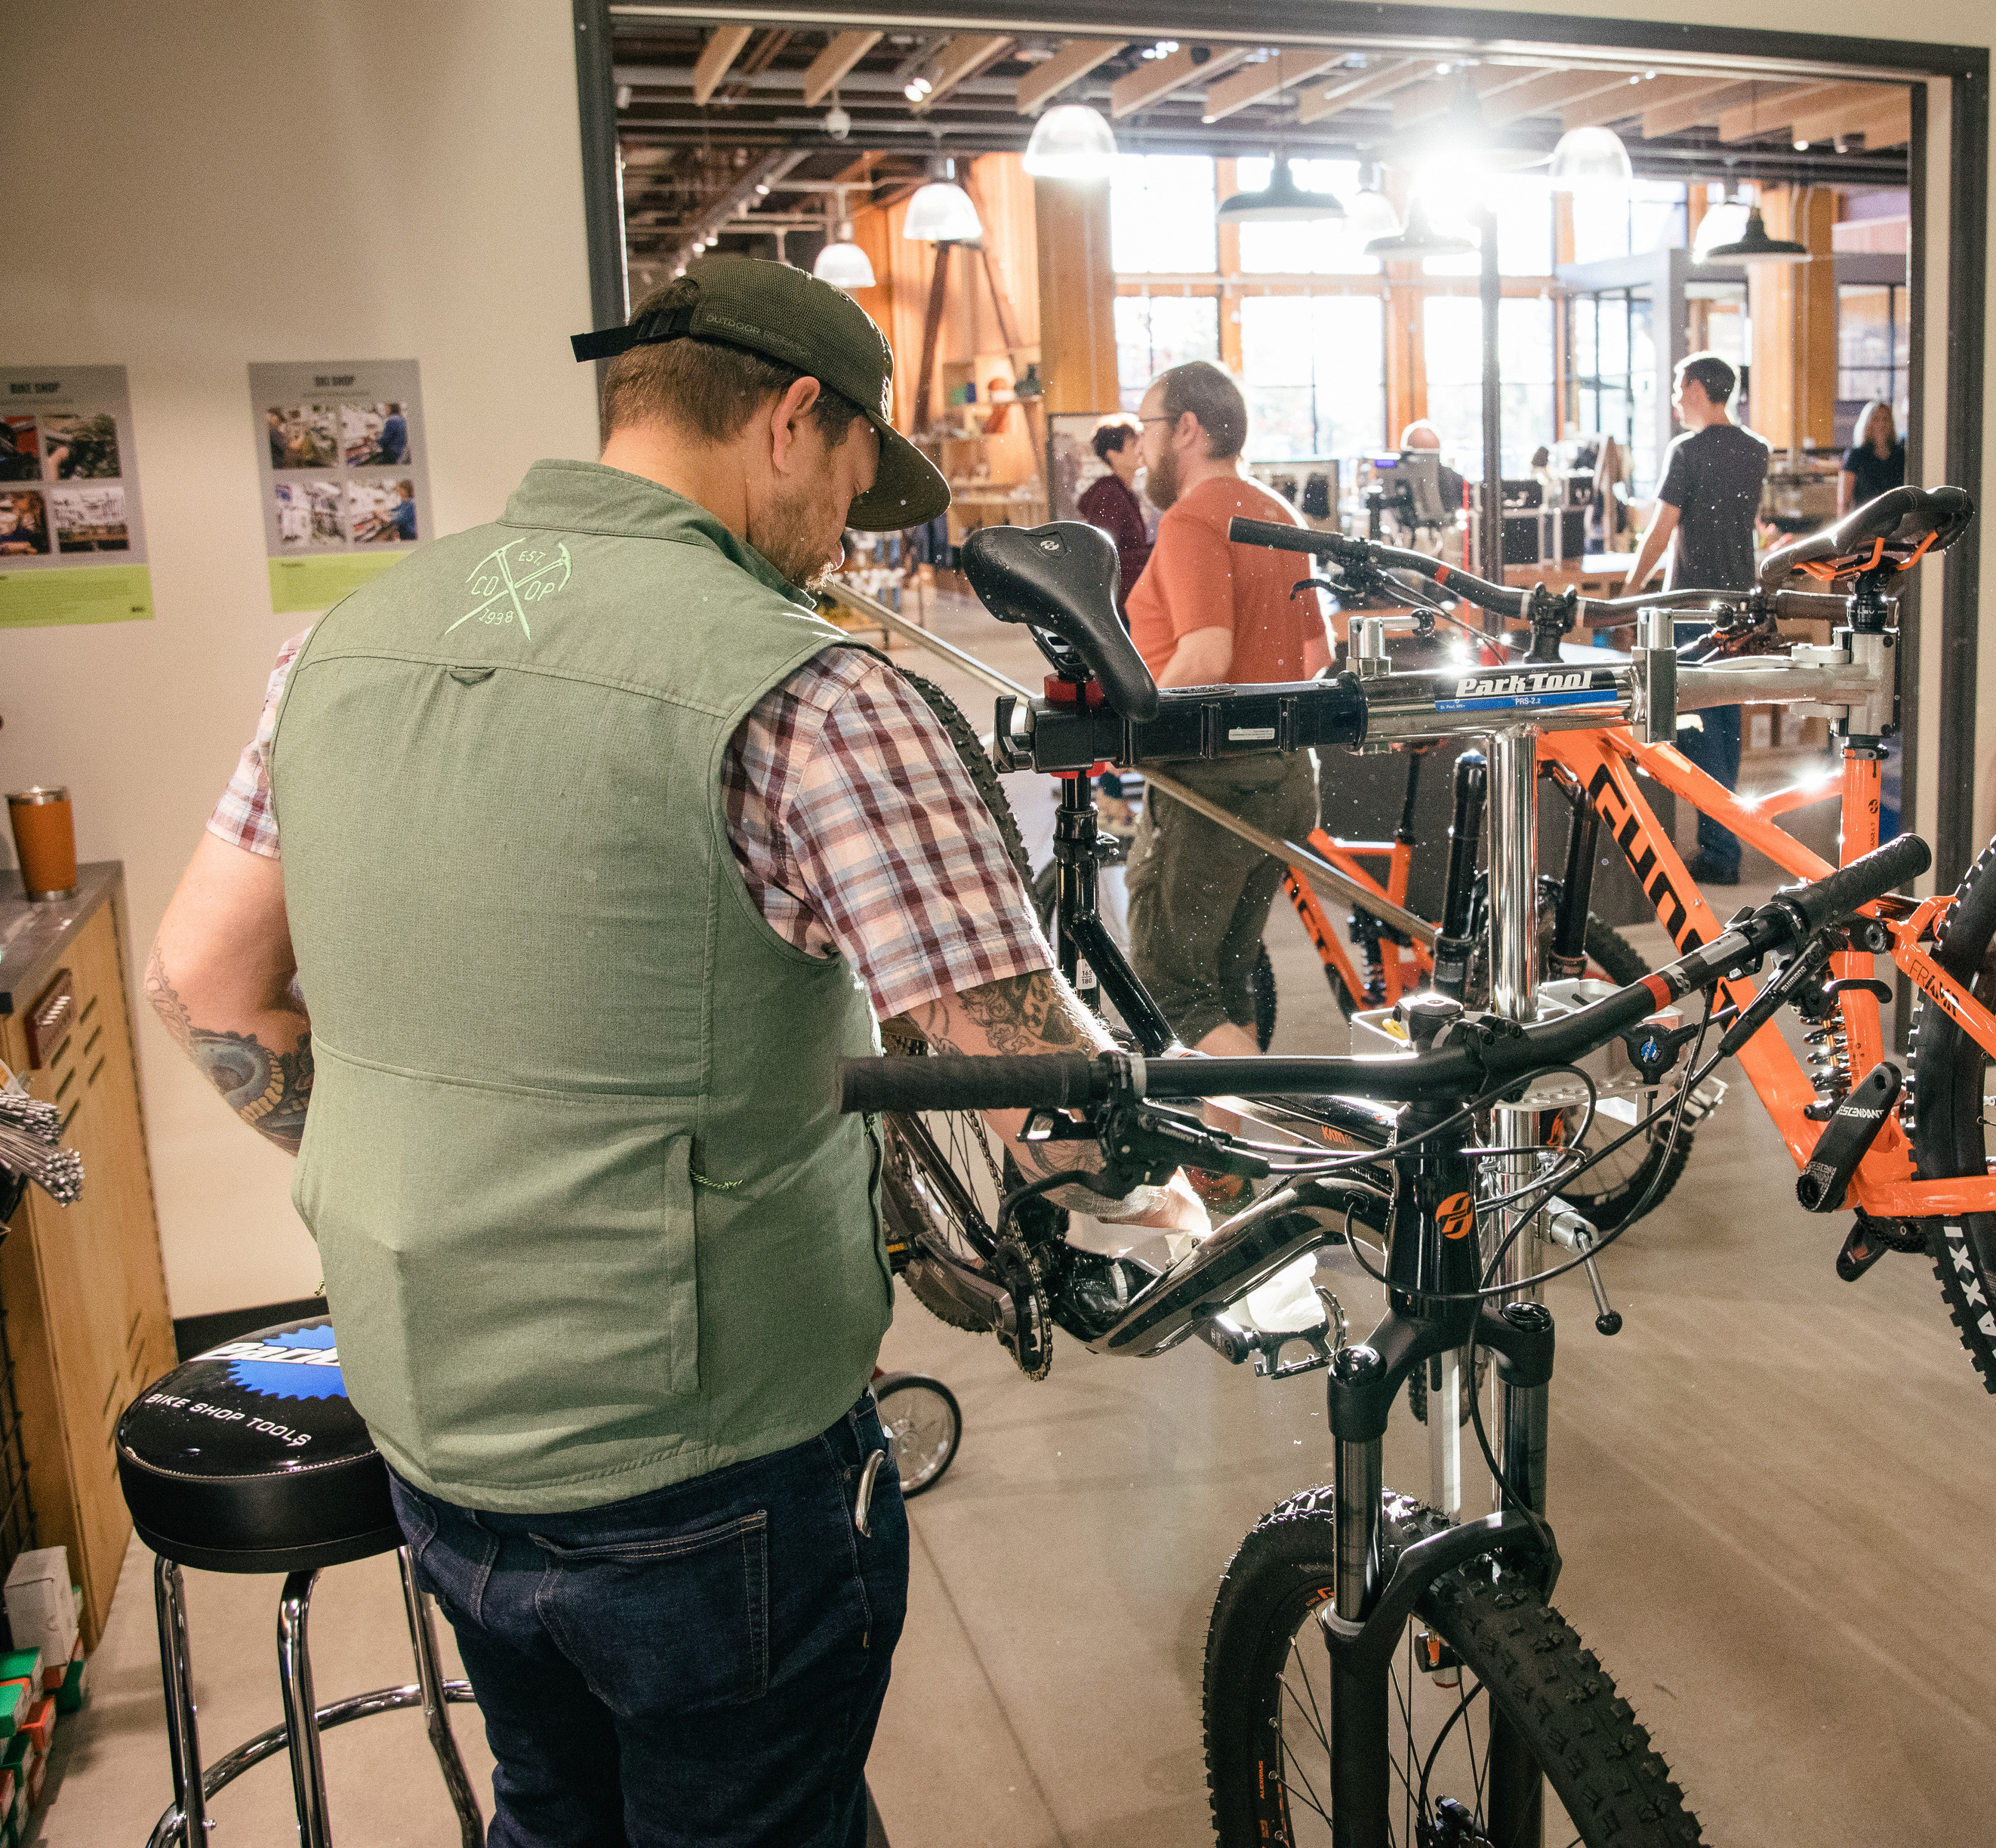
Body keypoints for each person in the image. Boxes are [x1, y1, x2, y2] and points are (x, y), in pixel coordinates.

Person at [142, 257, 1194, 1848]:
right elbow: (1020, 1077)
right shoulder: (815, 691)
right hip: (705, 1469)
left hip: (438, 1423)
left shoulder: (341, 645)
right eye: (852, 478)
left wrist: (424, 1166)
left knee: (553, 1811)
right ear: (789, 422)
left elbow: (202, 981)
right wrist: (1186, 1199)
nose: (847, 532)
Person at [1122, 358, 1329, 1056]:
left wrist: (1135, 728)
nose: (1141, 445)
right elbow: (1313, 659)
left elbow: (1205, 656)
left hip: (1211, 780)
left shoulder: (1190, 521)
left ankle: (1284, 1132)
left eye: (1147, 425)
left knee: (1170, 989)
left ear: (1186, 428)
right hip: (1283, 776)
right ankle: (1231, 1166)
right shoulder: (1278, 513)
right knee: (1226, 978)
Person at [1622, 353, 1770, 886]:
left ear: (1701, 388)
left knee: (1694, 725)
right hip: (1739, 605)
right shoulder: (1757, 451)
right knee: (1725, 724)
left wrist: (1628, 591)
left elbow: (1661, 532)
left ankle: (1720, 849)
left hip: (1689, 605)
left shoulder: (1686, 452)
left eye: (1679, 388)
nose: (1674, 398)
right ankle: (1725, 835)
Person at [1078, 415, 1154, 602]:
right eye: (1133, 444)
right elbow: (1103, 554)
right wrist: (1150, 555)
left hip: (1130, 594)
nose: (1140, 450)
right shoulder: (1109, 496)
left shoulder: (1124, 493)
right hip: (1120, 600)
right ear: (1113, 454)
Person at [1841, 399, 1905, 509]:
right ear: (1867, 423)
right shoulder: (1856, 455)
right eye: (1876, 419)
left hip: (1895, 518)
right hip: (1865, 519)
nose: (1881, 424)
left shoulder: (1900, 454)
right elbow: (1844, 501)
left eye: (1886, 419)